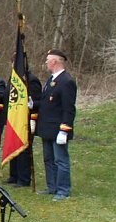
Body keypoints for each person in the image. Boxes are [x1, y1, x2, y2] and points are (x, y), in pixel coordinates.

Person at [35, 49, 77, 201]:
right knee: (48, 159)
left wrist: (64, 130)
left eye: (48, 60)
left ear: (54, 61)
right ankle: (52, 186)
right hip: (47, 128)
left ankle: (63, 190)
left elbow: (69, 109)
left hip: (58, 129)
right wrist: (33, 104)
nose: (46, 62)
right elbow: (46, 103)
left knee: (60, 160)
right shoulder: (50, 80)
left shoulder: (67, 81)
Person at [5, 71, 42, 187]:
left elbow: (36, 102)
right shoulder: (13, 78)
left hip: (26, 120)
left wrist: (32, 108)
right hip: (15, 118)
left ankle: (24, 179)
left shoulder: (32, 80)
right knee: (14, 145)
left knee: (23, 149)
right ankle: (14, 176)